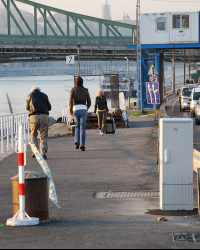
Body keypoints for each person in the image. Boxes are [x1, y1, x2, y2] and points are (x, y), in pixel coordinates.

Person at [26, 87, 52, 160]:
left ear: (32, 91)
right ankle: (43, 153)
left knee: (33, 134)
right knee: (43, 135)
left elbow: (27, 108)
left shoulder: (29, 96)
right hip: (44, 116)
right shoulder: (44, 95)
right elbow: (49, 107)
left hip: (33, 117)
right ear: (39, 90)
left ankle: (34, 152)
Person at [69, 77, 91, 151]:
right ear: (82, 82)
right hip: (83, 109)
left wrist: (70, 110)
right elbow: (89, 102)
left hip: (75, 110)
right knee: (83, 128)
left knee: (77, 126)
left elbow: (70, 101)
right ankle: (83, 145)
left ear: (76, 82)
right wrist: (86, 107)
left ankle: (77, 141)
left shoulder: (73, 90)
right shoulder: (86, 90)